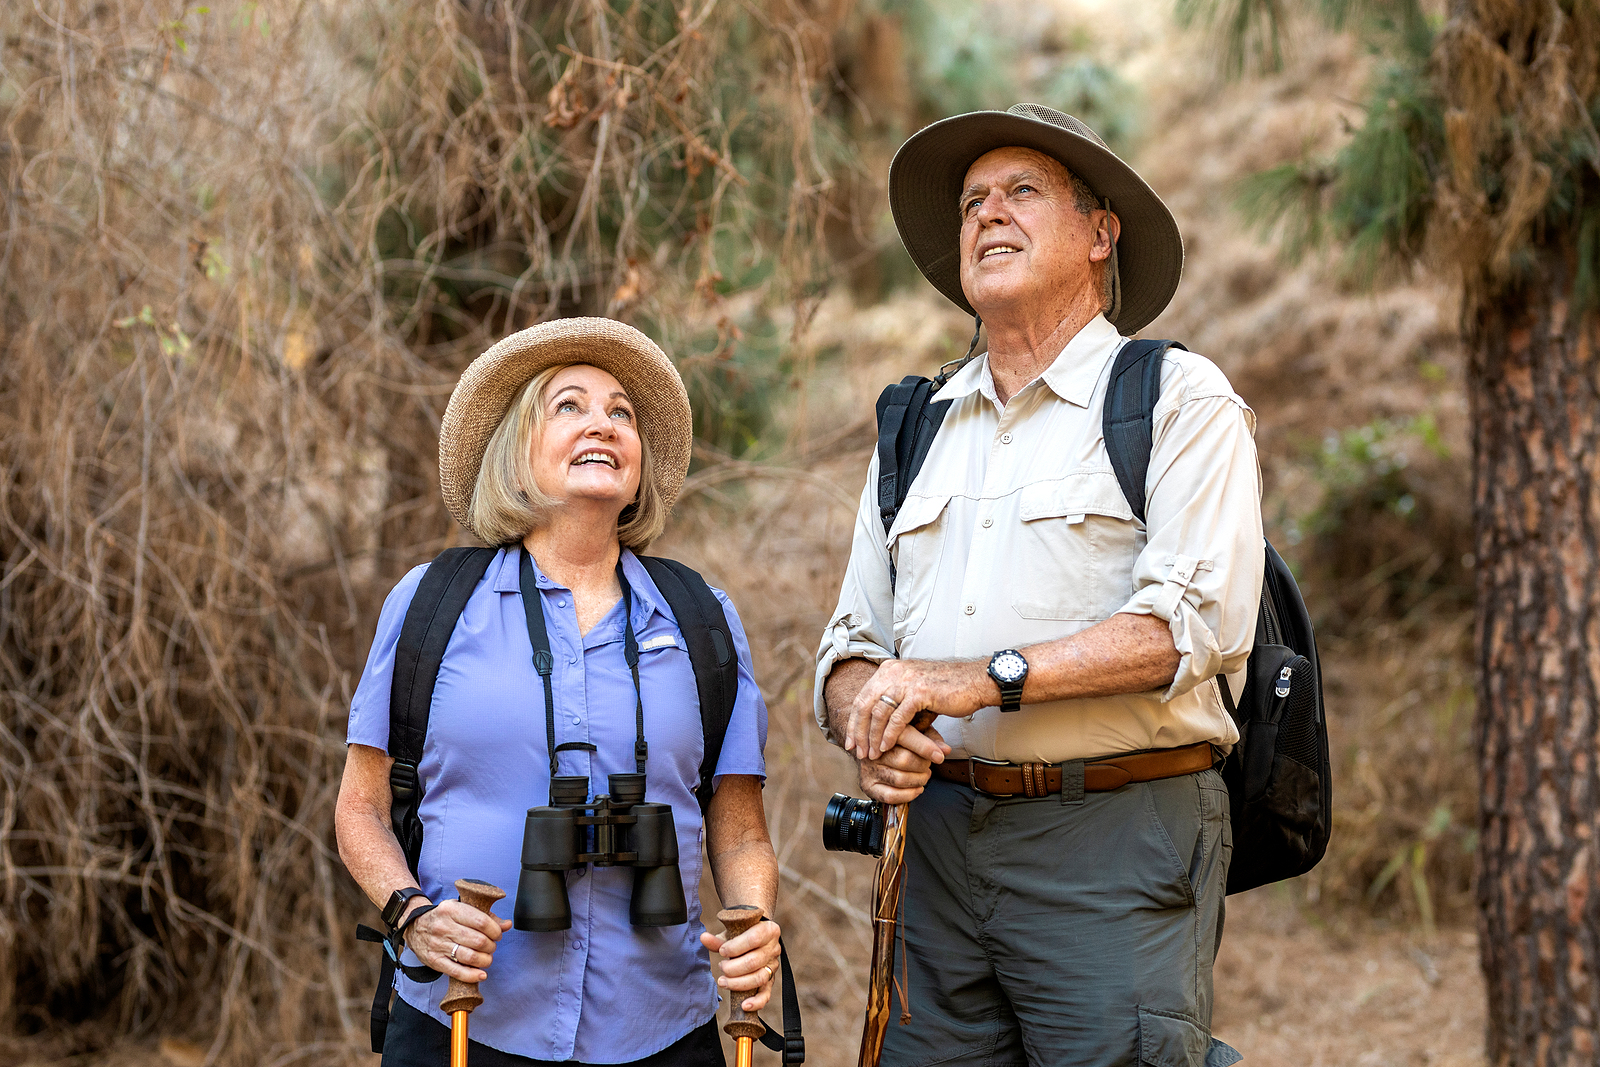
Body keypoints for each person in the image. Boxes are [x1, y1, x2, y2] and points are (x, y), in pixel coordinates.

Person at [814, 105, 1261, 1066]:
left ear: (1102, 234)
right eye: (973, 201)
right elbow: (849, 649)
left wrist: (979, 677)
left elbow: (1193, 629)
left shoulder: (1178, 399)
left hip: (1115, 840)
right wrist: (873, 722)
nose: (986, 214)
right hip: (932, 849)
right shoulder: (915, 424)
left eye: (1022, 192)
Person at [337, 318, 780, 1066]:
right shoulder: (431, 604)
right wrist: (411, 915)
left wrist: (755, 921)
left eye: (621, 413)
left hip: (662, 1023)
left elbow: (738, 832)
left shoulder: (703, 618)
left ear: (638, 461)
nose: (601, 423)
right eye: (568, 406)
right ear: (517, 454)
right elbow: (360, 808)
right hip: (463, 1013)